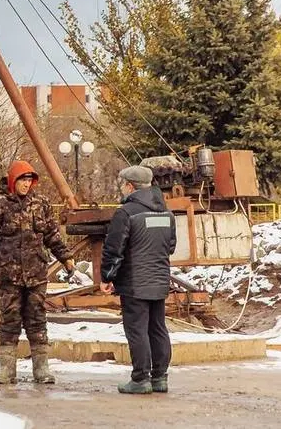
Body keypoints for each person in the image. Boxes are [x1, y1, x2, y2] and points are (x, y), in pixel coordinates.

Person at [0, 160, 75, 385]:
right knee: (9, 320)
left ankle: (42, 370)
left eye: (30, 180)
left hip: (36, 273)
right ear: (12, 180)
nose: (27, 185)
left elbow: (52, 236)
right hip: (8, 275)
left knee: (37, 319)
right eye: (22, 180)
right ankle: (7, 371)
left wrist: (66, 258)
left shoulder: (41, 204)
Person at [99, 164, 177, 394]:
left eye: (124, 184)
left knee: (137, 330)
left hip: (134, 282)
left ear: (130, 186)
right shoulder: (166, 212)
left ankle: (140, 379)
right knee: (158, 328)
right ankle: (160, 378)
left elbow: (114, 249)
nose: (123, 188)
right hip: (159, 279)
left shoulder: (126, 213)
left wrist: (107, 277)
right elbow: (170, 247)